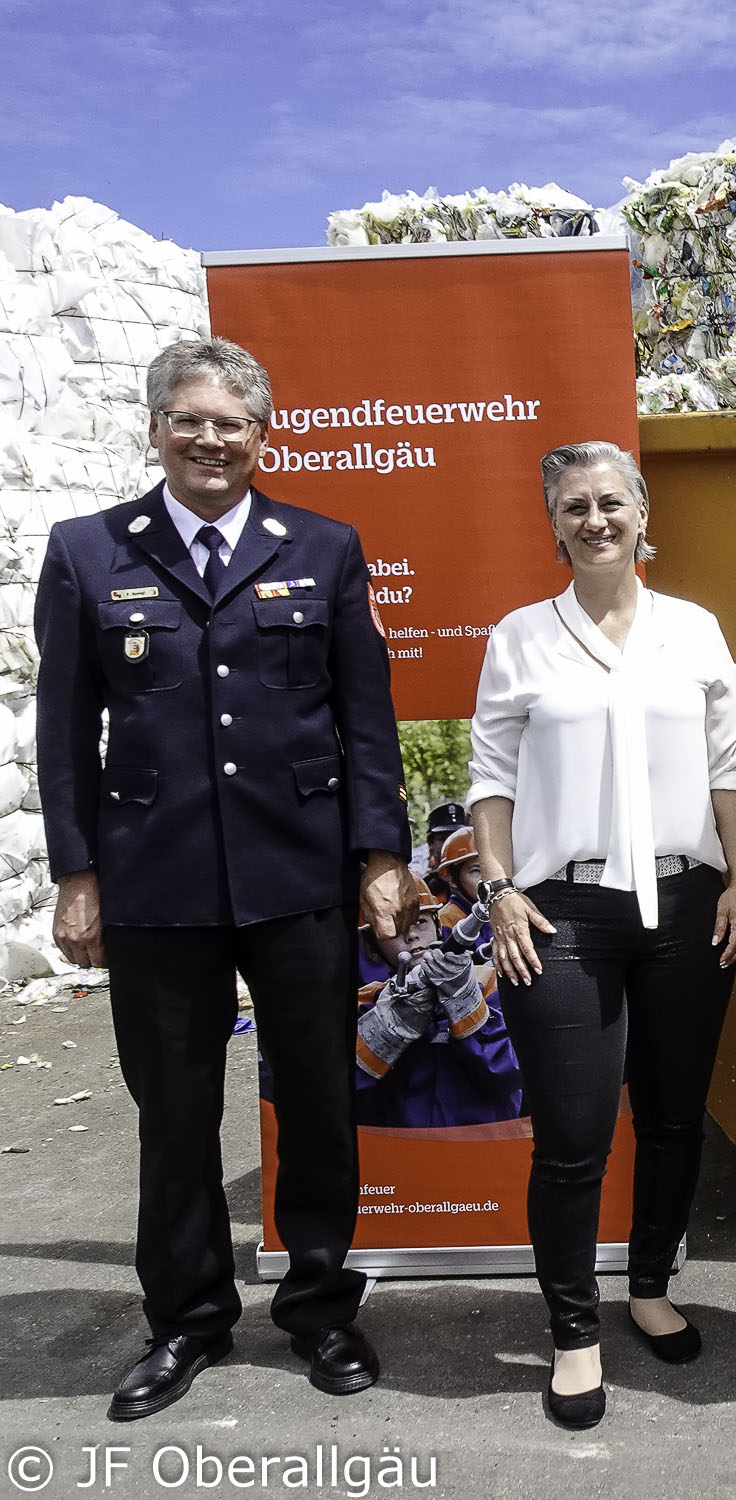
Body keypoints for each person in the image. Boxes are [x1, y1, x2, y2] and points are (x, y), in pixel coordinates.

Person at [34, 336, 417, 1420]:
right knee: (173, 1113)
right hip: (155, 885)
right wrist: (77, 874)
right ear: (156, 427)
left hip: (296, 878)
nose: (211, 439)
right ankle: (189, 1320)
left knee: (318, 1103)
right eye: (189, 419)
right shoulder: (89, 551)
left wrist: (381, 856)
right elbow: (64, 733)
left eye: (232, 422)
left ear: (263, 434)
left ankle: (322, 1310)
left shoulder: (325, 547)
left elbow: (364, 718)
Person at [467, 440, 736, 1430]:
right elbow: (490, 780)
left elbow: (730, 769)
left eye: (610, 503)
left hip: (685, 904)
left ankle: (648, 1287)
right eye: (575, 507)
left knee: (674, 1117)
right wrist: (499, 889)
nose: (595, 520)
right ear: (554, 524)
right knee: (573, 1141)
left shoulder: (692, 630)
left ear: (640, 513)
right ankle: (575, 1335)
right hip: (564, 914)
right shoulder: (520, 637)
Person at [353, 881, 522, 1128]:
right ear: (371, 946)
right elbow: (337, 1089)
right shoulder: (365, 1003)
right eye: (396, 927)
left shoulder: (490, 985)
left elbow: (514, 1072)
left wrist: (465, 1002)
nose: (411, 934)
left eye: (420, 921)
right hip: (398, 1152)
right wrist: (384, 1028)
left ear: (438, 925)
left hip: (485, 1151)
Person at [420, 801, 468, 902]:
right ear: (430, 843)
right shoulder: (422, 890)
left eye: (458, 837)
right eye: (444, 838)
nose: (451, 844)